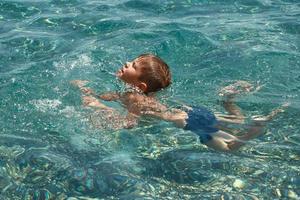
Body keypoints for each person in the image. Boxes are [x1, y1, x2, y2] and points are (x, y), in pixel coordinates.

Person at [71, 54, 287, 151]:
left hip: (188, 123)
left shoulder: (135, 99)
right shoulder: (134, 94)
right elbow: (116, 96)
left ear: (141, 86)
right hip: (191, 112)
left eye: (133, 66)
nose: (127, 63)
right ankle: (228, 100)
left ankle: (255, 130)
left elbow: (129, 122)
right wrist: (94, 94)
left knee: (230, 146)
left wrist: (104, 120)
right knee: (235, 120)